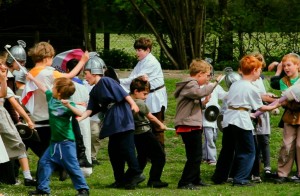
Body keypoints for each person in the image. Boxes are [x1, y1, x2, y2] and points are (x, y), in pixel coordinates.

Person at [77, 54, 145, 190]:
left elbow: (124, 93)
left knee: (127, 149)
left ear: (94, 73)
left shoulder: (106, 81)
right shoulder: (94, 90)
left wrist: (133, 104)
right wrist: (79, 118)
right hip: (113, 123)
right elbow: (90, 109)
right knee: (114, 152)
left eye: (86, 73)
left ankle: (136, 173)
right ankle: (120, 180)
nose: (85, 77)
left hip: (122, 118)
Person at [220, 55, 280, 186]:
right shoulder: (251, 87)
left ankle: (226, 176)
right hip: (240, 120)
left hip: (229, 119)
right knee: (248, 150)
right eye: (259, 70)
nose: (260, 72)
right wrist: (275, 105)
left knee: (233, 148)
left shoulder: (236, 84)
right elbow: (260, 106)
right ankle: (241, 178)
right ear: (254, 71)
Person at [21, 42, 89, 159]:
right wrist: (83, 61)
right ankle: (79, 156)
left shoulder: (31, 73)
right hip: (53, 115)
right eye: (52, 57)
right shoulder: (49, 73)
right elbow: (70, 75)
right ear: (46, 58)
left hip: (37, 116)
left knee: (46, 148)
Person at [26, 74, 89, 196]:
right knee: (44, 163)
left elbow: (80, 114)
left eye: (54, 87)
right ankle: (43, 190)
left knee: (72, 166)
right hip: (54, 142)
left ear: (59, 92)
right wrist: (32, 78)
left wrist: (69, 105)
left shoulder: (69, 105)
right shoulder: (51, 98)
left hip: (66, 142)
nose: (52, 88)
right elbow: (43, 87)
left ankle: (83, 189)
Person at [174, 59, 223, 190]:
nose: (208, 79)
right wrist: (216, 83)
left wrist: (203, 103)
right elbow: (199, 93)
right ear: (200, 74)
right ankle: (185, 182)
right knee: (194, 155)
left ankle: (195, 179)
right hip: (187, 125)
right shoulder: (190, 84)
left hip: (192, 124)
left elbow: (192, 103)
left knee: (196, 155)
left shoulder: (192, 84)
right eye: (207, 75)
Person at [119, 37, 167, 149]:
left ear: (148, 50)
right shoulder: (141, 62)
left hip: (155, 97)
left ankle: (160, 153)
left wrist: (117, 81)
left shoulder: (151, 62)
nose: (137, 52)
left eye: (140, 50)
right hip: (145, 96)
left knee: (157, 126)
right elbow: (132, 79)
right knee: (146, 125)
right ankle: (149, 153)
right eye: (136, 50)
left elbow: (135, 80)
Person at [129, 77, 169, 188]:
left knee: (142, 157)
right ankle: (154, 180)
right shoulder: (139, 103)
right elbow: (151, 117)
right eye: (144, 94)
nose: (146, 97)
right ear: (136, 91)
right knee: (160, 155)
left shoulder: (128, 100)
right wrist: (161, 125)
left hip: (135, 134)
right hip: (144, 133)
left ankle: (131, 179)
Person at [274, 53, 300, 184]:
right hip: (290, 115)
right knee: (287, 144)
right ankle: (282, 173)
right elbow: (286, 99)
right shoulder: (283, 81)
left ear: (297, 65)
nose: (286, 68)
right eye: (284, 66)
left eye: (289, 65)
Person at [201, 65, 227, 166]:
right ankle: (212, 159)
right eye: (207, 75)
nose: (209, 77)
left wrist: (234, 89)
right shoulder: (200, 87)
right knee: (209, 138)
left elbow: (224, 95)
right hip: (206, 117)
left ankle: (204, 156)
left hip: (215, 117)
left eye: (211, 75)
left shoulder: (216, 87)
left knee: (213, 138)